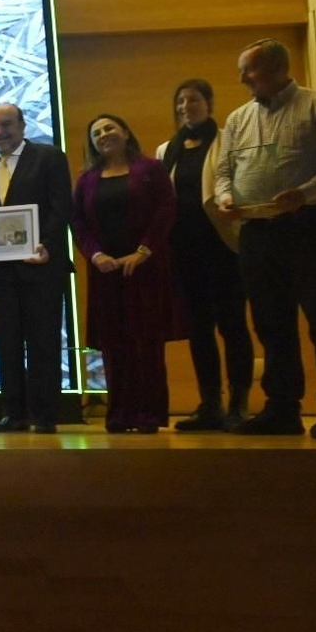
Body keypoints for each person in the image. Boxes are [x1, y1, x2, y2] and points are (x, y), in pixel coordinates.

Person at [213, 39, 316, 437]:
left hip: (310, 227)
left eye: (250, 70)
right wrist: (226, 195)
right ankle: (282, 409)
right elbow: (224, 170)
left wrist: (304, 195)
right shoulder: (238, 118)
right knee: (271, 324)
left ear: (278, 67)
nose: (243, 78)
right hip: (257, 234)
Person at [73, 114, 182, 432]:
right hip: (105, 274)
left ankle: (149, 415)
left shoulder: (150, 169)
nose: (103, 134)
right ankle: (119, 414)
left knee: (146, 345)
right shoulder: (87, 179)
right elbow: (77, 221)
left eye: (109, 128)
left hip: (145, 270)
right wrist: (95, 255)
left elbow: (166, 209)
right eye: (96, 132)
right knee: (114, 346)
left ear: (125, 132)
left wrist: (143, 251)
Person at [156, 80, 253, 430]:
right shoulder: (166, 150)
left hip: (224, 249)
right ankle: (209, 404)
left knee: (232, 326)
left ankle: (238, 405)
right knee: (198, 330)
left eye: (193, 100)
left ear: (209, 103)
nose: (185, 106)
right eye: (179, 101)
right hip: (184, 253)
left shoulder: (230, 139)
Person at [0, 104, 73, 433]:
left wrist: (46, 244)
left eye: (6, 125)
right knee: (7, 342)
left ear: (22, 125)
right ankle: (13, 413)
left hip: (42, 266)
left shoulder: (49, 157)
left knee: (43, 342)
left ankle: (46, 415)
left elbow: (61, 208)